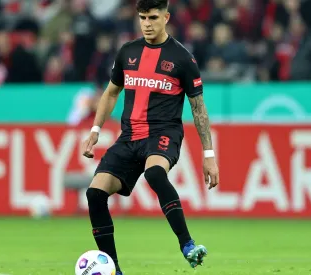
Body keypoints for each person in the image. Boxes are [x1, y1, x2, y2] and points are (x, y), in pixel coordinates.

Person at [80, 0, 220, 274]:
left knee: (155, 174)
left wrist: (209, 156)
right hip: (129, 136)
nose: (147, 23)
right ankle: (113, 269)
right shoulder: (127, 52)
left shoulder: (182, 58)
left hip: (163, 134)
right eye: (142, 17)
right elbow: (111, 92)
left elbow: (198, 108)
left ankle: (188, 245)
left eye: (153, 17)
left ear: (166, 17)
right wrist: (95, 130)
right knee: (95, 193)